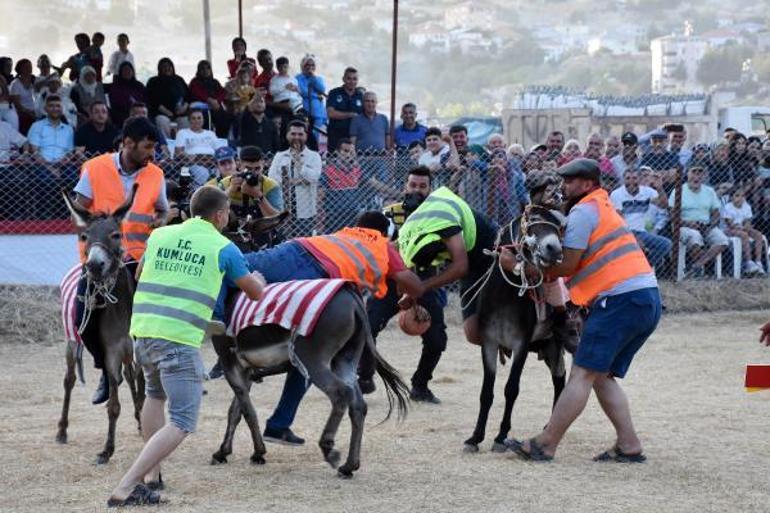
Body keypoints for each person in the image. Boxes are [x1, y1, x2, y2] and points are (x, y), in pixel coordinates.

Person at [106, 186, 265, 507]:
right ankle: (127, 485)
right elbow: (254, 293)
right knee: (182, 421)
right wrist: (258, 277)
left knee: (154, 395)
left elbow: (140, 271)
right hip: (178, 338)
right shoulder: (224, 247)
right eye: (227, 214)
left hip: (144, 330)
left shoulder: (160, 236)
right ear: (220, 215)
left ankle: (151, 477)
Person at [504, 158, 661, 462]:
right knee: (600, 376)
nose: (564, 186)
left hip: (619, 300)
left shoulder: (583, 211)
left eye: (570, 181)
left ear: (587, 184)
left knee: (582, 372)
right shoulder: (601, 207)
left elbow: (567, 265)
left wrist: (521, 266)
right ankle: (629, 445)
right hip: (643, 298)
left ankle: (545, 444)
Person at [230, 211, 423, 444]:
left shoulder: (342, 234)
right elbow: (414, 284)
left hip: (294, 251)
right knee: (314, 359)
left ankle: (221, 333)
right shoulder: (383, 246)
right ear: (385, 233)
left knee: (231, 267)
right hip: (316, 281)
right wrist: (409, 298)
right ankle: (279, 423)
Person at [73, 117, 169, 405]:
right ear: (127, 143)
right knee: (83, 320)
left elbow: (163, 210)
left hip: (139, 263)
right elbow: (78, 209)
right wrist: (93, 240)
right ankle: (105, 368)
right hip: (100, 265)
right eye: (147, 147)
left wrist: (160, 220)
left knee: (155, 319)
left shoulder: (156, 174)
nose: (151, 154)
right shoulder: (94, 168)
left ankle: (158, 374)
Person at [397, 185, 499, 399]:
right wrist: (409, 292)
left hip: (491, 251)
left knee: (511, 294)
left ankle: (556, 316)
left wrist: (421, 287)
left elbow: (460, 267)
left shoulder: (444, 223)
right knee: (473, 334)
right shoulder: (408, 232)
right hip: (469, 263)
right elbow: (408, 268)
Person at [360, 166, 448, 400]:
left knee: (437, 338)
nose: (416, 190)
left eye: (422, 186)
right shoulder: (388, 214)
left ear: (431, 190)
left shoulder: (440, 216)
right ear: (405, 186)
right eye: (412, 185)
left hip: (423, 281)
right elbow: (378, 247)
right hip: (390, 281)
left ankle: (420, 385)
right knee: (367, 327)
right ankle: (364, 376)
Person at [670, 165, 728, 278]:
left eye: (700, 173)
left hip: (705, 225)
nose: (696, 176)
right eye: (694, 172)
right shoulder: (679, 190)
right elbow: (672, 215)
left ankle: (696, 266)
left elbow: (716, 212)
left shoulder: (709, 191)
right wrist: (688, 223)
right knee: (695, 237)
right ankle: (700, 271)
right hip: (684, 225)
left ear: (704, 176)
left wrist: (711, 225)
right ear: (687, 175)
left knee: (723, 240)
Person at [610, 168, 672, 272]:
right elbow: (619, 221)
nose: (631, 181)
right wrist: (634, 238)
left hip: (642, 233)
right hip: (623, 233)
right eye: (628, 178)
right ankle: (638, 270)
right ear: (623, 180)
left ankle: (645, 267)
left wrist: (660, 188)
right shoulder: (617, 194)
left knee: (666, 244)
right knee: (638, 246)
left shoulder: (647, 192)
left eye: (634, 178)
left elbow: (664, 205)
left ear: (639, 179)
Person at [267, 119, 322, 237]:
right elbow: (272, 178)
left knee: (304, 243)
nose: (296, 137)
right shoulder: (280, 156)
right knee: (283, 240)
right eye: (293, 134)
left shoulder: (314, 156)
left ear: (306, 136)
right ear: (287, 135)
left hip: (305, 211)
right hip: (283, 209)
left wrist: (299, 163)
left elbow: (314, 177)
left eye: (300, 134)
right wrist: (298, 181)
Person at [722, 187, 766, 275]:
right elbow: (730, 224)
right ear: (731, 197)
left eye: (743, 196)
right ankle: (748, 262)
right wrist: (742, 227)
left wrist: (746, 226)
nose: (740, 198)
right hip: (729, 230)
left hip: (742, 228)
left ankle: (758, 262)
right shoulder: (728, 207)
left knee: (758, 234)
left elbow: (748, 222)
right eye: (737, 196)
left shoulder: (746, 206)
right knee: (744, 235)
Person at [146, 58, 189, 138]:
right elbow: (152, 99)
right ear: (159, 69)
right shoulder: (153, 81)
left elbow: (188, 97)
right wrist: (166, 111)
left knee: (185, 121)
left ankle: (182, 146)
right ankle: (167, 146)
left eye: (169, 66)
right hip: (162, 113)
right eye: (164, 66)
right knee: (161, 121)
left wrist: (184, 107)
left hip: (180, 112)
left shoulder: (179, 80)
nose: (167, 68)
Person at [326, 67, 364, 153]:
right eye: (349, 78)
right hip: (336, 135)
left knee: (352, 163)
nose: (352, 82)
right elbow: (331, 113)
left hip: (354, 137)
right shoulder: (334, 93)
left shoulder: (361, 95)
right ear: (343, 79)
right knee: (334, 162)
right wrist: (350, 115)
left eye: (354, 79)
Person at [188, 60, 229, 137]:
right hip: (200, 107)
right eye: (202, 69)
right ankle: (207, 137)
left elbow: (223, 92)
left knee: (224, 117)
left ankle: (221, 139)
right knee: (207, 115)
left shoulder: (214, 82)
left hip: (214, 105)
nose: (205, 71)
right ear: (199, 71)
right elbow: (197, 93)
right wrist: (209, 100)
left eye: (208, 68)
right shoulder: (195, 82)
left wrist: (217, 101)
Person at [295, 54, 326, 139]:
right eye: (307, 65)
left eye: (312, 65)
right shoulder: (298, 78)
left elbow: (322, 89)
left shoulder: (318, 78)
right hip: (305, 110)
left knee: (316, 135)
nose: (310, 67)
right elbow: (303, 92)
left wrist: (314, 77)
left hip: (318, 111)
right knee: (305, 133)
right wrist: (316, 95)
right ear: (303, 66)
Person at [108, 61, 146, 128]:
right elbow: (114, 106)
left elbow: (146, 101)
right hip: (123, 116)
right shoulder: (116, 87)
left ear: (132, 72)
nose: (127, 72)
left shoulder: (139, 85)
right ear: (121, 73)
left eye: (129, 70)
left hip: (141, 113)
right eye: (124, 70)